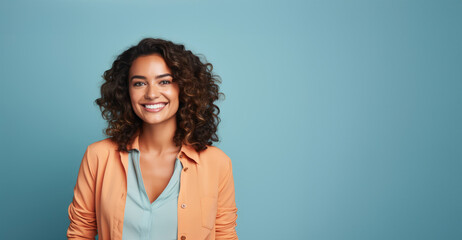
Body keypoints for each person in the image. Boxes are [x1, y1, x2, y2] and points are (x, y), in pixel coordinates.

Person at [67, 38, 238, 240]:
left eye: (164, 81)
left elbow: (225, 235)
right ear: (125, 92)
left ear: (185, 88)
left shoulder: (217, 163)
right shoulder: (98, 156)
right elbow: (80, 232)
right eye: (139, 83)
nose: (151, 93)